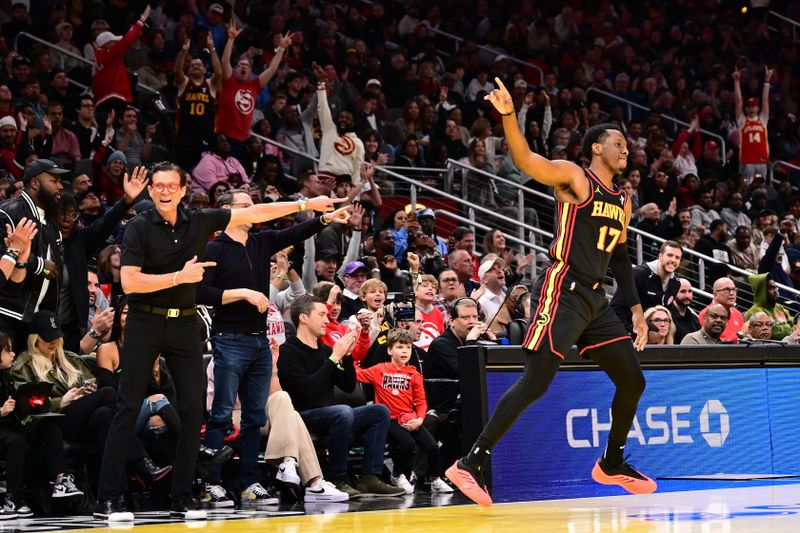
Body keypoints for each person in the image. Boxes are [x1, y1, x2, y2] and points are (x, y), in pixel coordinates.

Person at [93, 161, 343, 522]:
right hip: (145, 322)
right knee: (127, 406)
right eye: (157, 186)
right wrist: (180, 276)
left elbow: (257, 211)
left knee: (195, 408)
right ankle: (108, 499)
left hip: (183, 325)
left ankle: (182, 495)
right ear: (151, 191)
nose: (163, 191)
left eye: (170, 185)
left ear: (182, 190)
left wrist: (307, 205)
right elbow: (130, 283)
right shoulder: (138, 227)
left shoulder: (200, 219)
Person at [447, 80, 653, 508]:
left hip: (596, 300)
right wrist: (508, 116)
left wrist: (635, 309)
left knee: (633, 380)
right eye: (617, 143)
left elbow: (618, 257)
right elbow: (527, 160)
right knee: (536, 381)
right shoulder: (576, 178)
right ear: (597, 147)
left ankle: (611, 462)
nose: (625, 150)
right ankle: (471, 462)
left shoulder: (624, 200)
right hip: (563, 289)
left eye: (626, 145)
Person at [196, 188, 351, 507]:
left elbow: (294, 230)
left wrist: (323, 219)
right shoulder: (214, 247)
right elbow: (199, 291)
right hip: (229, 339)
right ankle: (210, 482)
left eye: (254, 205)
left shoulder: (260, 241)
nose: (253, 210)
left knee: (254, 415)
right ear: (226, 211)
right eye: (246, 206)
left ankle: (249, 482)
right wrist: (241, 293)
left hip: (259, 340)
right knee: (223, 412)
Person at [277, 294, 405, 499]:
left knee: (379, 411)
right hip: (303, 416)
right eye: (321, 315)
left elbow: (346, 385)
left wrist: (347, 357)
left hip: (334, 414)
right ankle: (337, 478)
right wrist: (335, 356)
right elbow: (307, 390)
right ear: (303, 318)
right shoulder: (288, 352)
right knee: (342, 412)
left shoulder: (325, 349)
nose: (327, 320)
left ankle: (369, 477)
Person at [355, 328, 453, 494]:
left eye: (408, 347)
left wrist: (419, 420)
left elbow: (421, 402)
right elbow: (357, 374)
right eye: (400, 347)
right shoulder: (379, 369)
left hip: (410, 419)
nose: (404, 351)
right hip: (389, 420)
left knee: (432, 447)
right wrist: (351, 359)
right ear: (389, 350)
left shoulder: (414, 374)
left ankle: (435, 479)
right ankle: (398, 475)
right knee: (407, 444)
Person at [0, 329, 82, 519]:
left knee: (47, 424)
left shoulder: (6, 377)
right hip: (4, 430)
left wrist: (35, 405)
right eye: (7, 350)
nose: (13, 354)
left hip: (14, 424)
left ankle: (61, 481)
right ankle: (13, 498)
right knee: (16, 441)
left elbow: (20, 409)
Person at [0, 159, 69, 349]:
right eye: (54, 181)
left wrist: (46, 271)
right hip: (7, 313)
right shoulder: (8, 212)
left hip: (35, 318)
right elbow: (3, 252)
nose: (60, 186)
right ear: (34, 183)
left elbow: (51, 271)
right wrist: (40, 265)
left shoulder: (51, 224)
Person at [216, 21, 293, 157]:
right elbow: (224, 62)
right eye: (240, 65)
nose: (243, 67)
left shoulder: (254, 86)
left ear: (251, 71)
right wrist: (231, 39)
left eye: (246, 65)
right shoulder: (229, 82)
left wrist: (281, 48)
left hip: (244, 139)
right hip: (225, 137)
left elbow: (272, 68)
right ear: (235, 69)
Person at [174, 34, 222, 172]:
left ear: (205, 70)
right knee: (184, 174)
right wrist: (183, 52)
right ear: (188, 70)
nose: (195, 66)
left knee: (203, 173)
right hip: (185, 136)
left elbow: (218, 73)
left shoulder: (210, 85)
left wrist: (212, 48)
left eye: (199, 65)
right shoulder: (184, 84)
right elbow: (177, 71)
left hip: (205, 136)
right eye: (193, 65)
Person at [611, 241, 681, 331]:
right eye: (669, 255)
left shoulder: (676, 283)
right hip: (629, 332)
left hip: (653, 337)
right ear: (660, 256)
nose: (673, 260)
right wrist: (628, 334)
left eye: (677, 257)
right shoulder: (638, 274)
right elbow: (617, 306)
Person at [733, 66, 772, 180]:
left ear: (757, 108)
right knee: (747, 187)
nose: (751, 108)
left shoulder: (763, 120)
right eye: (748, 106)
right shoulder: (742, 121)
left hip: (762, 160)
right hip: (747, 160)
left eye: (753, 106)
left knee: (761, 188)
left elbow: (765, 99)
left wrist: (767, 81)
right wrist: (736, 81)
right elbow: (738, 101)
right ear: (746, 109)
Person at [744, 273, 792, 340]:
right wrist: (788, 327)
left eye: (775, 287)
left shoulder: (779, 307)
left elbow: (794, 324)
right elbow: (775, 333)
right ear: (762, 291)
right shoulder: (755, 311)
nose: (775, 291)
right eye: (771, 288)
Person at [698, 277, 746, 343]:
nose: (732, 293)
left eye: (734, 289)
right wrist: (741, 334)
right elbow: (716, 343)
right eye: (727, 290)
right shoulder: (706, 314)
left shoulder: (737, 313)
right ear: (715, 294)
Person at [668, 279, 700, 344]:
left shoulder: (694, 318)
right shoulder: (667, 316)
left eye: (690, 291)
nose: (687, 295)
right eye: (683, 291)